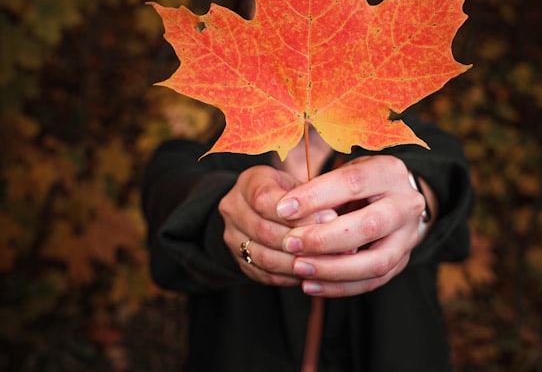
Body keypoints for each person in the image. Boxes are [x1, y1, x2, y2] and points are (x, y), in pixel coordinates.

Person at [142, 113, 473, 371]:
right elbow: (181, 206)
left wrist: (415, 205)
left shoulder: (415, 143)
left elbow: (441, 183)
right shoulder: (196, 159)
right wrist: (231, 226)